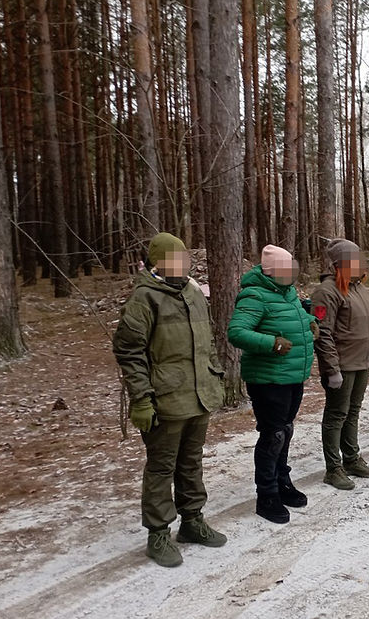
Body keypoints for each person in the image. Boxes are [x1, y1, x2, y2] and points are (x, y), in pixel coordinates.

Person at [113, 232, 226, 568]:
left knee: (191, 462)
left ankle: (192, 521)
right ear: (158, 262)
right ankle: (158, 533)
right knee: (162, 468)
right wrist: (141, 399)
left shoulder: (193, 291)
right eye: (175, 258)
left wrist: (215, 373)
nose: (183, 264)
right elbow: (128, 351)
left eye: (184, 257)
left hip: (199, 396)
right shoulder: (144, 298)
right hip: (165, 400)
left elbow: (208, 340)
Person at [227, 244, 317, 525]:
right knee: (273, 435)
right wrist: (272, 343)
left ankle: (282, 482)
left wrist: (310, 321)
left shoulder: (287, 292)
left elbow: (288, 318)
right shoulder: (254, 295)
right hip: (267, 379)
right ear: (271, 271)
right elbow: (236, 332)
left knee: (285, 430)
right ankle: (266, 495)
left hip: (292, 375)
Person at [311, 238, 369, 489]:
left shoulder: (359, 288)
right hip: (342, 365)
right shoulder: (326, 291)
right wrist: (332, 369)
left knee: (353, 412)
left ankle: (351, 458)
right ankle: (333, 468)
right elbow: (322, 333)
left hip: (361, 363)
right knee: (336, 415)